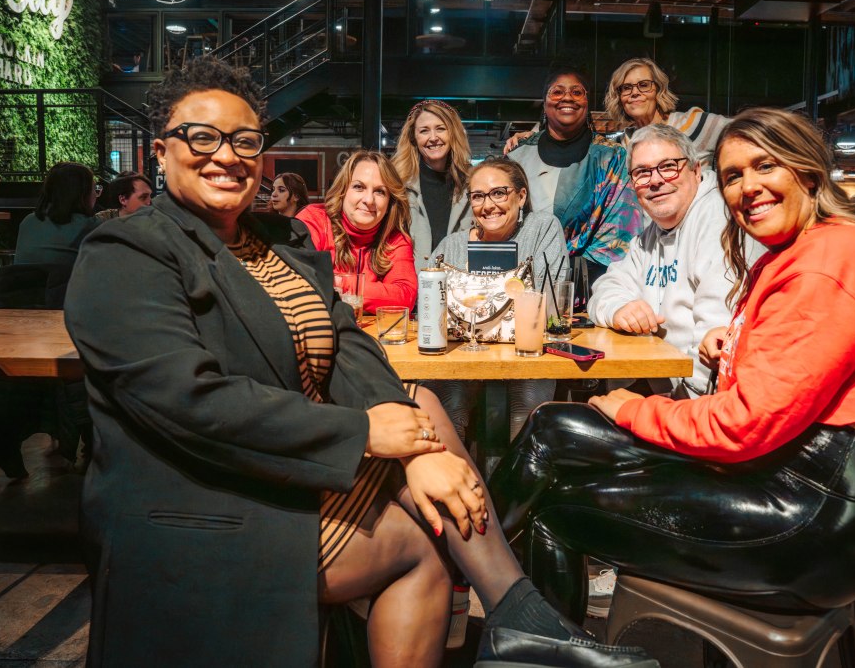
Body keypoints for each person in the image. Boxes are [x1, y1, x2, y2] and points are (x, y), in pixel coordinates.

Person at [63, 56, 653, 668]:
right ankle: (522, 619)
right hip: (202, 487)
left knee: (422, 406)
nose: (227, 155)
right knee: (421, 544)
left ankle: (520, 615)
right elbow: (187, 402)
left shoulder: (280, 241)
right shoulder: (126, 250)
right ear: (161, 152)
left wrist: (413, 446)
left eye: (244, 140)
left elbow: (349, 343)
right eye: (203, 137)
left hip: (284, 460)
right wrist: (366, 432)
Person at [488, 107, 855, 626]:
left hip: (817, 518)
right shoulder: (797, 254)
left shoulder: (833, 259)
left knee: (557, 506)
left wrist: (634, 410)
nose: (748, 187)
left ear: (808, 172)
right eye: (734, 175)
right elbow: (787, 370)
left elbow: (744, 423)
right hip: (786, 474)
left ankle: (481, 579)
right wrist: (734, 342)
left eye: (766, 166)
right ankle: (495, 587)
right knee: (553, 426)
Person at [588, 123, 759, 399]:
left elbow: (717, 337)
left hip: (705, 398)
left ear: (696, 170)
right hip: (665, 385)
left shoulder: (719, 219)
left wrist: (677, 406)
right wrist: (619, 307)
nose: (655, 181)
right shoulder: (652, 233)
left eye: (668, 167)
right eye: (642, 173)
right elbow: (605, 287)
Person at [429, 156, 568, 440]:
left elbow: (551, 305)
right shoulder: (452, 246)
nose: (488, 205)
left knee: (527, 407)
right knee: (445, 405)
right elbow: (429, 308)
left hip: (526, 352)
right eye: (478, 196)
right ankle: (458, 469)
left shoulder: (542, 229)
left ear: (521, 196)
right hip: (460, 353)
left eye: (499, 193)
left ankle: (515, 471)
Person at [509, 65, 643, 292]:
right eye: (557, 91)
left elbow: (619, 230)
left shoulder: (612, 157)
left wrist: (569, 278)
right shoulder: (517, 157)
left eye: (577, 92)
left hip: (588, 285)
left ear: (586, 101)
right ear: (544, 102)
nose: (567, 97)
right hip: (521, 282)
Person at [297, 151, 417, 314]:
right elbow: (301, 281)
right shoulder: (314, 220)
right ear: (343, 190)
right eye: (359, 187)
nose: (369, 200)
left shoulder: (396, 239)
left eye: (380, 191)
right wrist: (374, 292)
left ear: (390, 202)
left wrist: (337, 282)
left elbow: (404, 297)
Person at [392, 100, 474, 270]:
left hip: (459, 282)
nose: (433, 137)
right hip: (413, 282)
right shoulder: (397, 185)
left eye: (441, 128)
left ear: (453, 133)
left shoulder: (473, 184)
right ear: (414, 138)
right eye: (424, 131)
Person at [603, 57, 730, 159]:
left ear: (659, 90)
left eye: (644, 85)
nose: (635, 92)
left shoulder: (694, 124)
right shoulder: (622, 144)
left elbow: (740, 129)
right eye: (626, 88)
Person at [14, 162, 101, 266]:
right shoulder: (93, 227)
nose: (96, 195)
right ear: (82, 194)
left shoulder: (28, 222)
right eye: (94, 189)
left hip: (23, 277)